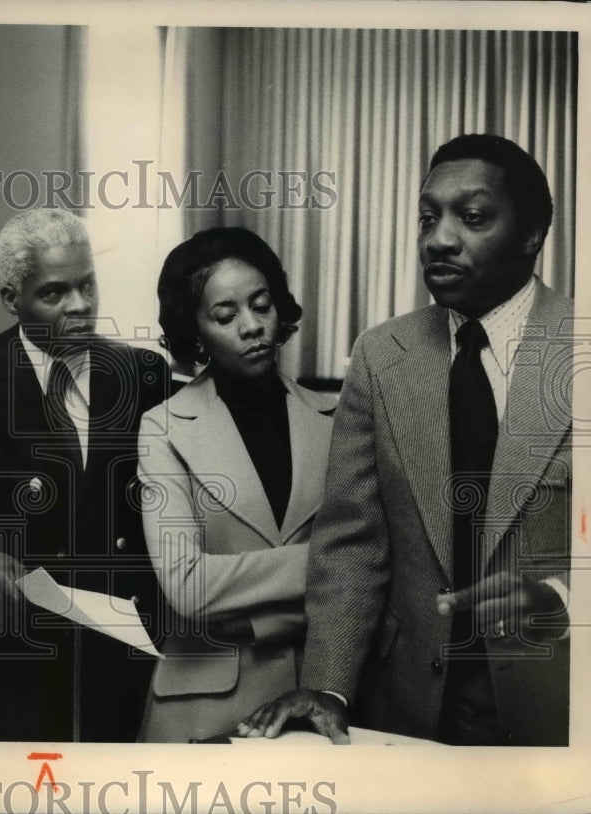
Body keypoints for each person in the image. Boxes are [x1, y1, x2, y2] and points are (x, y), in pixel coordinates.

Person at [239, 134, 572, 746]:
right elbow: (350, 543)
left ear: (533, 233)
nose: (439, 238)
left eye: (471, 217)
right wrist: (329, 685)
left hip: (555, 711)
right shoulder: (380, 354)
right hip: (408, 708)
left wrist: (560, 598)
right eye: (427, 217)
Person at [0, 209, 169, 741]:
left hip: (127, 649)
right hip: (17, 658)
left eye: (87, 284)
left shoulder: (145, 374)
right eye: (54, 293)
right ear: (12, 299)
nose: (80, 306)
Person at [135, 227, 335, 742]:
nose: (252, 327)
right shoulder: (163, 427)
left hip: (321, 693)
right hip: (202, 708)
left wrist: (256, 623)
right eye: (225, 317)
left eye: (262, 305)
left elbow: (378, 574)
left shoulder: (336, 418)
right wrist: (331, 558)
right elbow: (187, 584)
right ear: (196, 331)